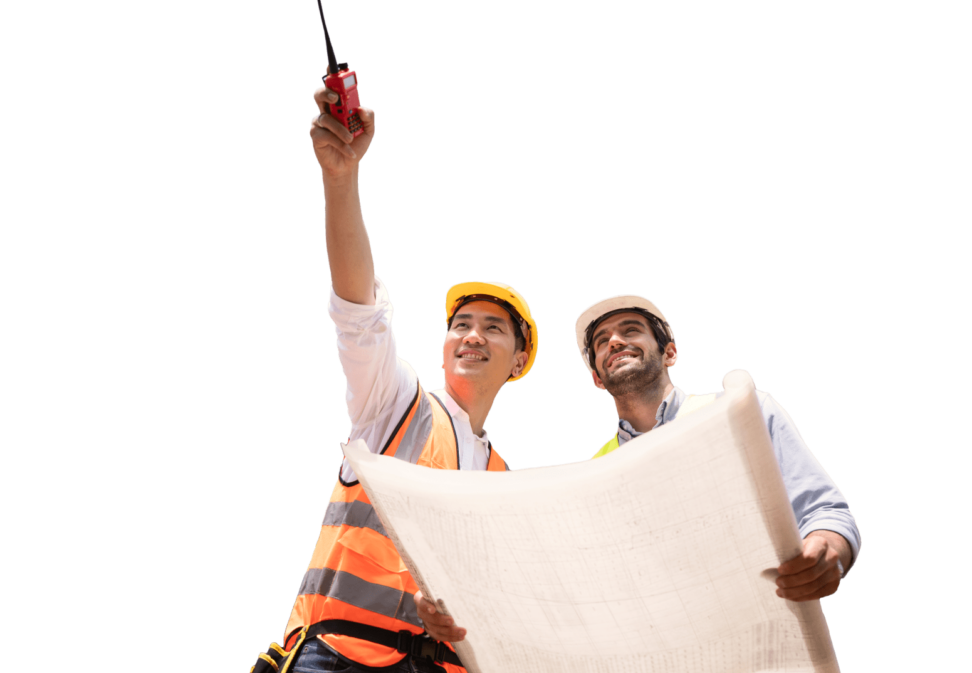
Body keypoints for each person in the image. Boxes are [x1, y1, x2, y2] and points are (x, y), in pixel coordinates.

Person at [254, 82, 538, 673]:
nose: (473, 336)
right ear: (442, 344)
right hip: (336, 654)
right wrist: (340, 178)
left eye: (493, 328)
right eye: (462, 323)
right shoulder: (396, 402)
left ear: (518, 361)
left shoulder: (503, 482)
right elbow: (359, 310)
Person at [415, 294, 861, 645]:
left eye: (630, 330)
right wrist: (458, 603)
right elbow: (560, 587)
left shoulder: (740, 411)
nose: (614, 341)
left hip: (763, 643)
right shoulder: (597, 471)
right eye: (601, 340)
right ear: (596, 377)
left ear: (669, 352)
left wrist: (828, 550)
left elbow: (826, 512)